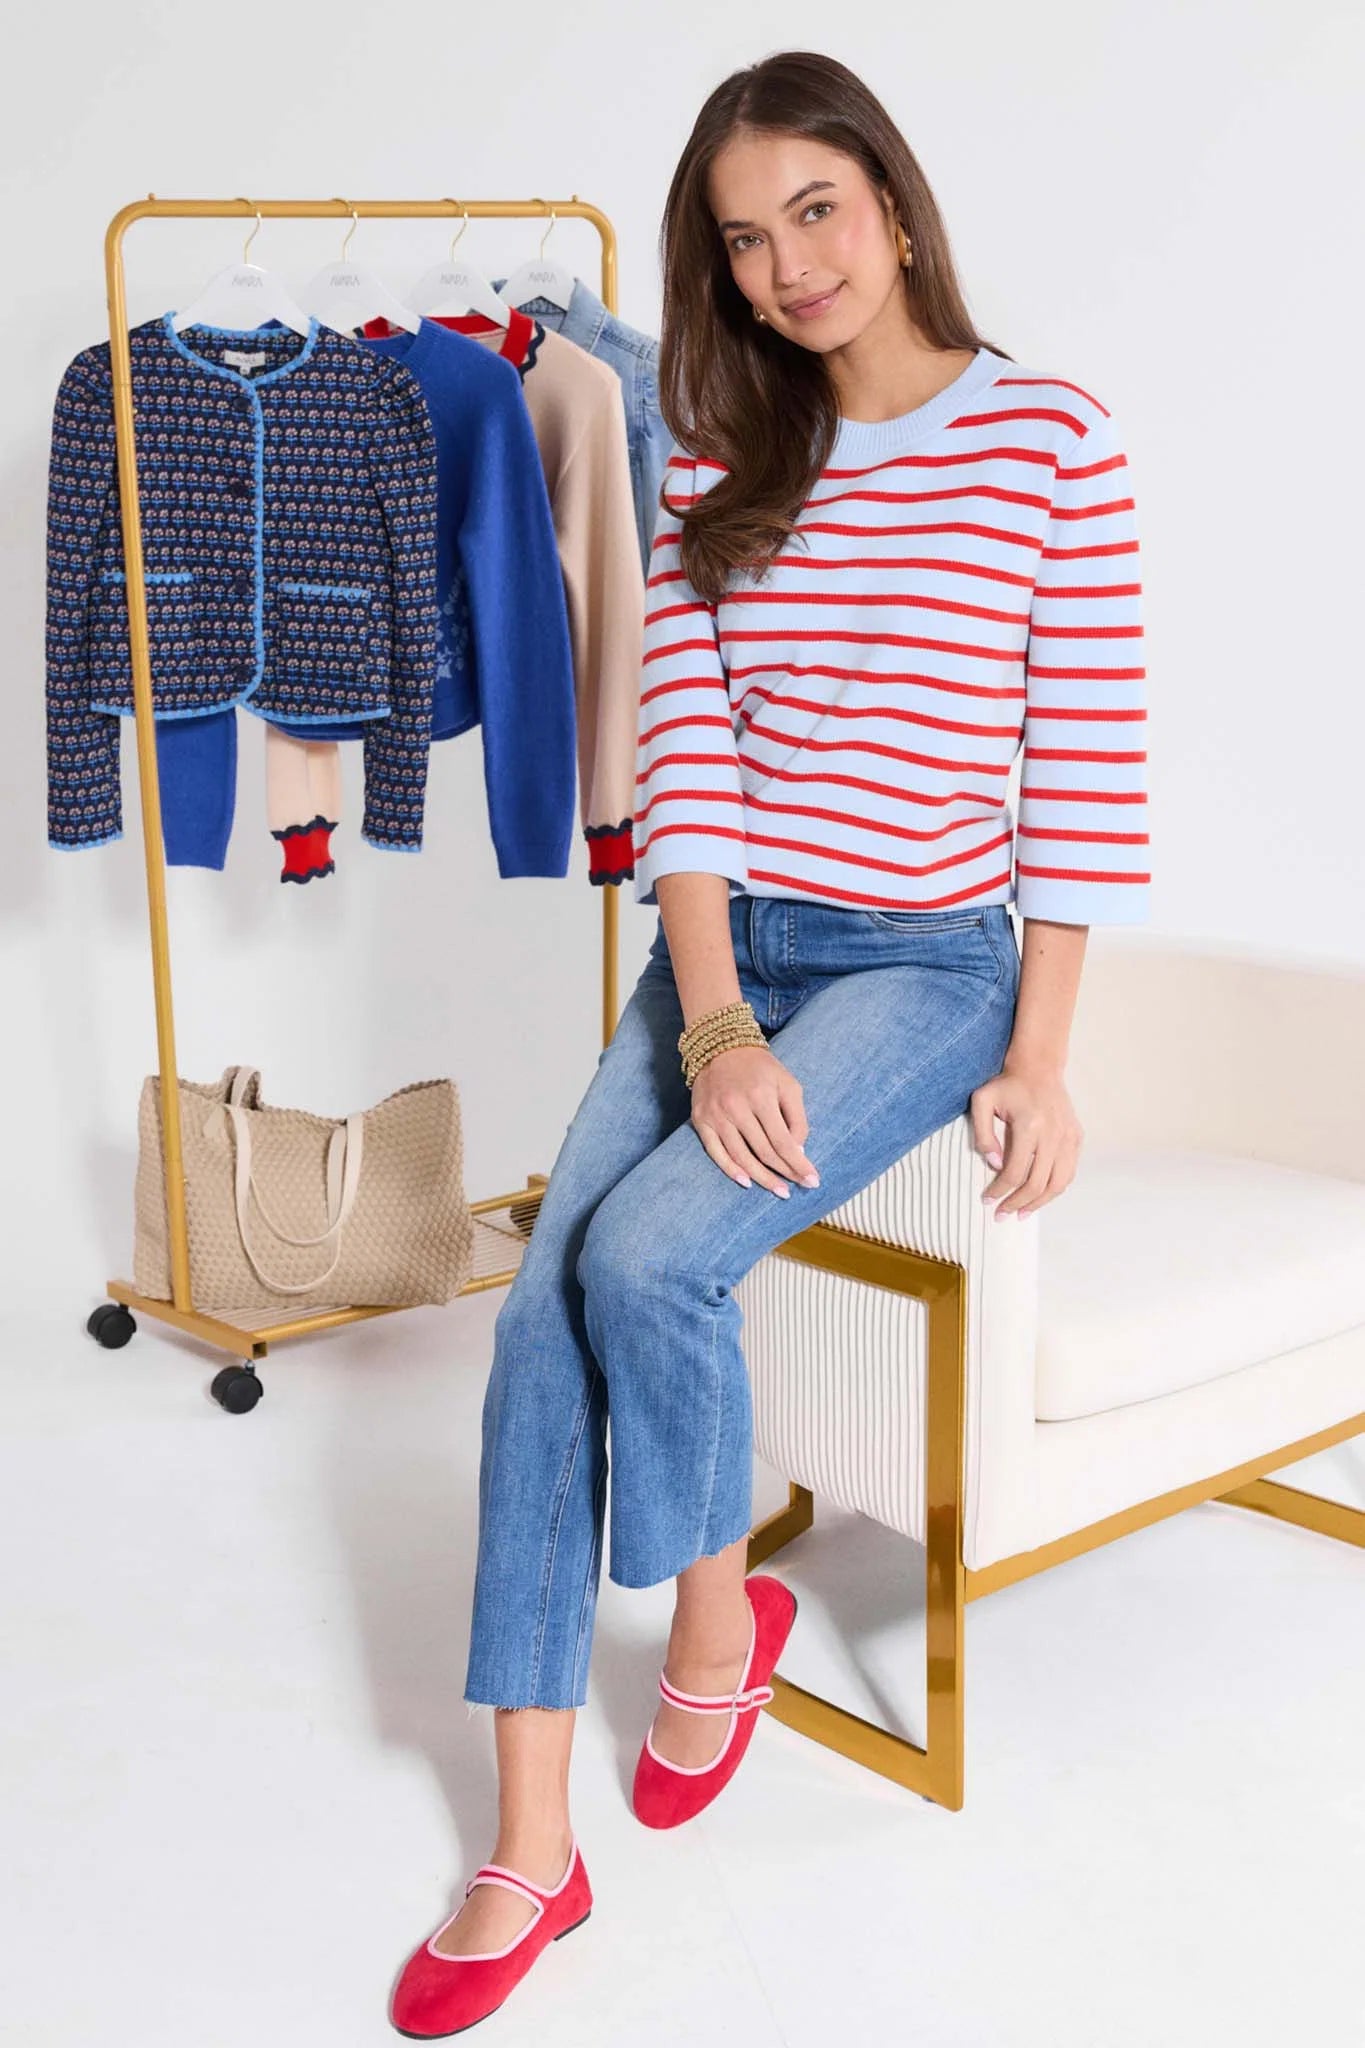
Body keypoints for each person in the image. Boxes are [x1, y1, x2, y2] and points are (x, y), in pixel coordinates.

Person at [389, 45, 1149, 2038]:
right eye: (740, 239)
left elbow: (1072, 772)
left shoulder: (1046, 441)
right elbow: (693, 771)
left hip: (925, 958)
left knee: (648, 1255)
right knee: (540, 1296)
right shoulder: (714, 453)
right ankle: (531, 1844)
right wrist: (711, 1015)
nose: (785, 261)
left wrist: (1043, 1051)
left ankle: (716, 1614)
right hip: (736, 947)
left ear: (890, 204)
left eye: (812, 209)